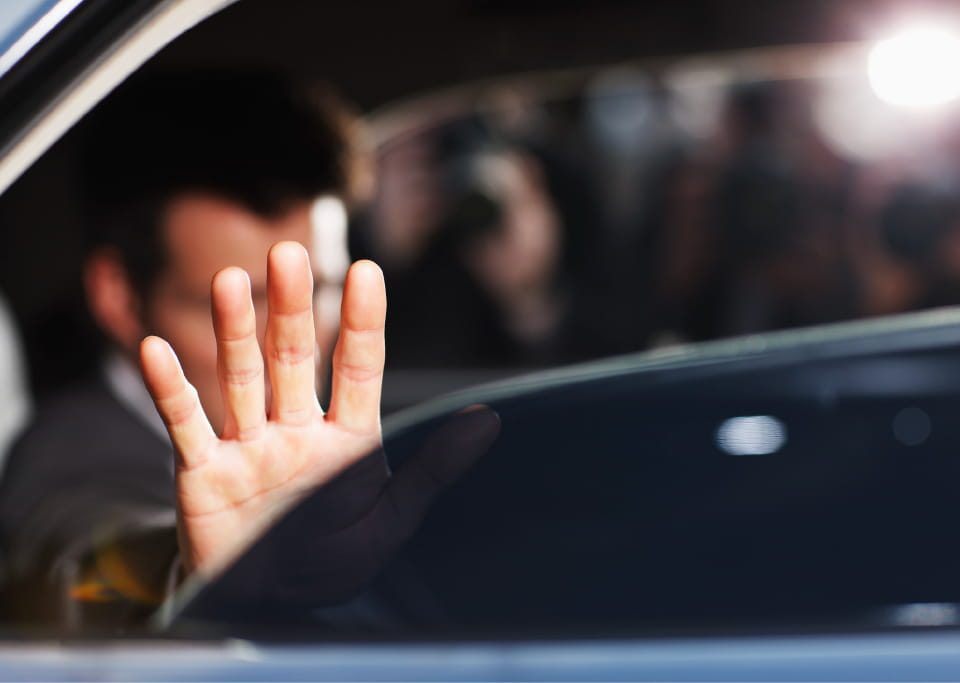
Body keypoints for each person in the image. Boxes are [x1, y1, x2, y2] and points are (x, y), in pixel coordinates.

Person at [0, 72, 498, 627]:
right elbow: (79, 561)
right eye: (238, 303)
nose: (291, 339)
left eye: (322, 290)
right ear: (118, 297)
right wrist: (190, 571)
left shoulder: (353, 459)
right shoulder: (66, 456)